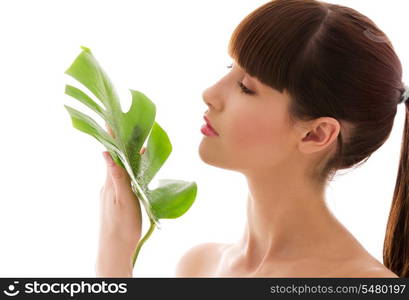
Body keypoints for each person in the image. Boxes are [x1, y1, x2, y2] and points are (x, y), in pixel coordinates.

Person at [95, 0, 409, 278]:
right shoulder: (198, 266)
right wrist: (115, 253)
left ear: (316, 134)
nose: (211, 94)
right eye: (229, 68)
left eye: (246, 86)